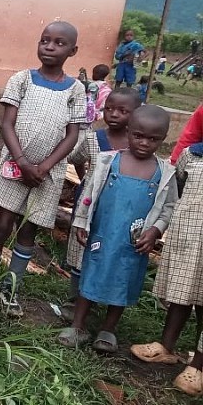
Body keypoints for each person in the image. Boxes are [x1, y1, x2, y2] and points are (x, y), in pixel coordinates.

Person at [0, 21, 86, 317]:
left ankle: (9, 290)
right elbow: (7, 123)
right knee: (2, 224)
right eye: (44, 40)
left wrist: (44, 167)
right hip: (15, 164)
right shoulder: (22, 79)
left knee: (29, 230)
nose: (49, 46)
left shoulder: (76, 90)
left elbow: (72, 135)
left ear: (73, 51)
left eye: (59, 43)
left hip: (47, 175)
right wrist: (23, 162)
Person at [57, 105, 176, 352]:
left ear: (163, 140)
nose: (144, 143)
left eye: (153, 139)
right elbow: (89, 194)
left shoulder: (165, 173)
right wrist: (81, 221)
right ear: (129, 131)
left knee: (125, 278)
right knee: (91, 274)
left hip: (134, 242)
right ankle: (78, 325)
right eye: (138, 135)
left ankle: (108, 330)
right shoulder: (108, 161)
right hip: (102, 234)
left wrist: (155, 231)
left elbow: (169, 208)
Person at [61, 88, 139, 319]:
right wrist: (86, 179)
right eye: (109, 109)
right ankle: (75, 299)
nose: (114, 114)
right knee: (80, 252)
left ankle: (98, 300)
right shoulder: (94, 139)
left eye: (122, 111)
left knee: (107, 252)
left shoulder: (137, 146)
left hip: (118, 210)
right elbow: (76, 159)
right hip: (89, 206)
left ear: (136, 114)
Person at [131, 142, 203, 373]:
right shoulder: (192, 155)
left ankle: (197, 365)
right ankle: (166, 346)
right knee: (181, 294)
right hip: (188, 237)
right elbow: (179, 184)